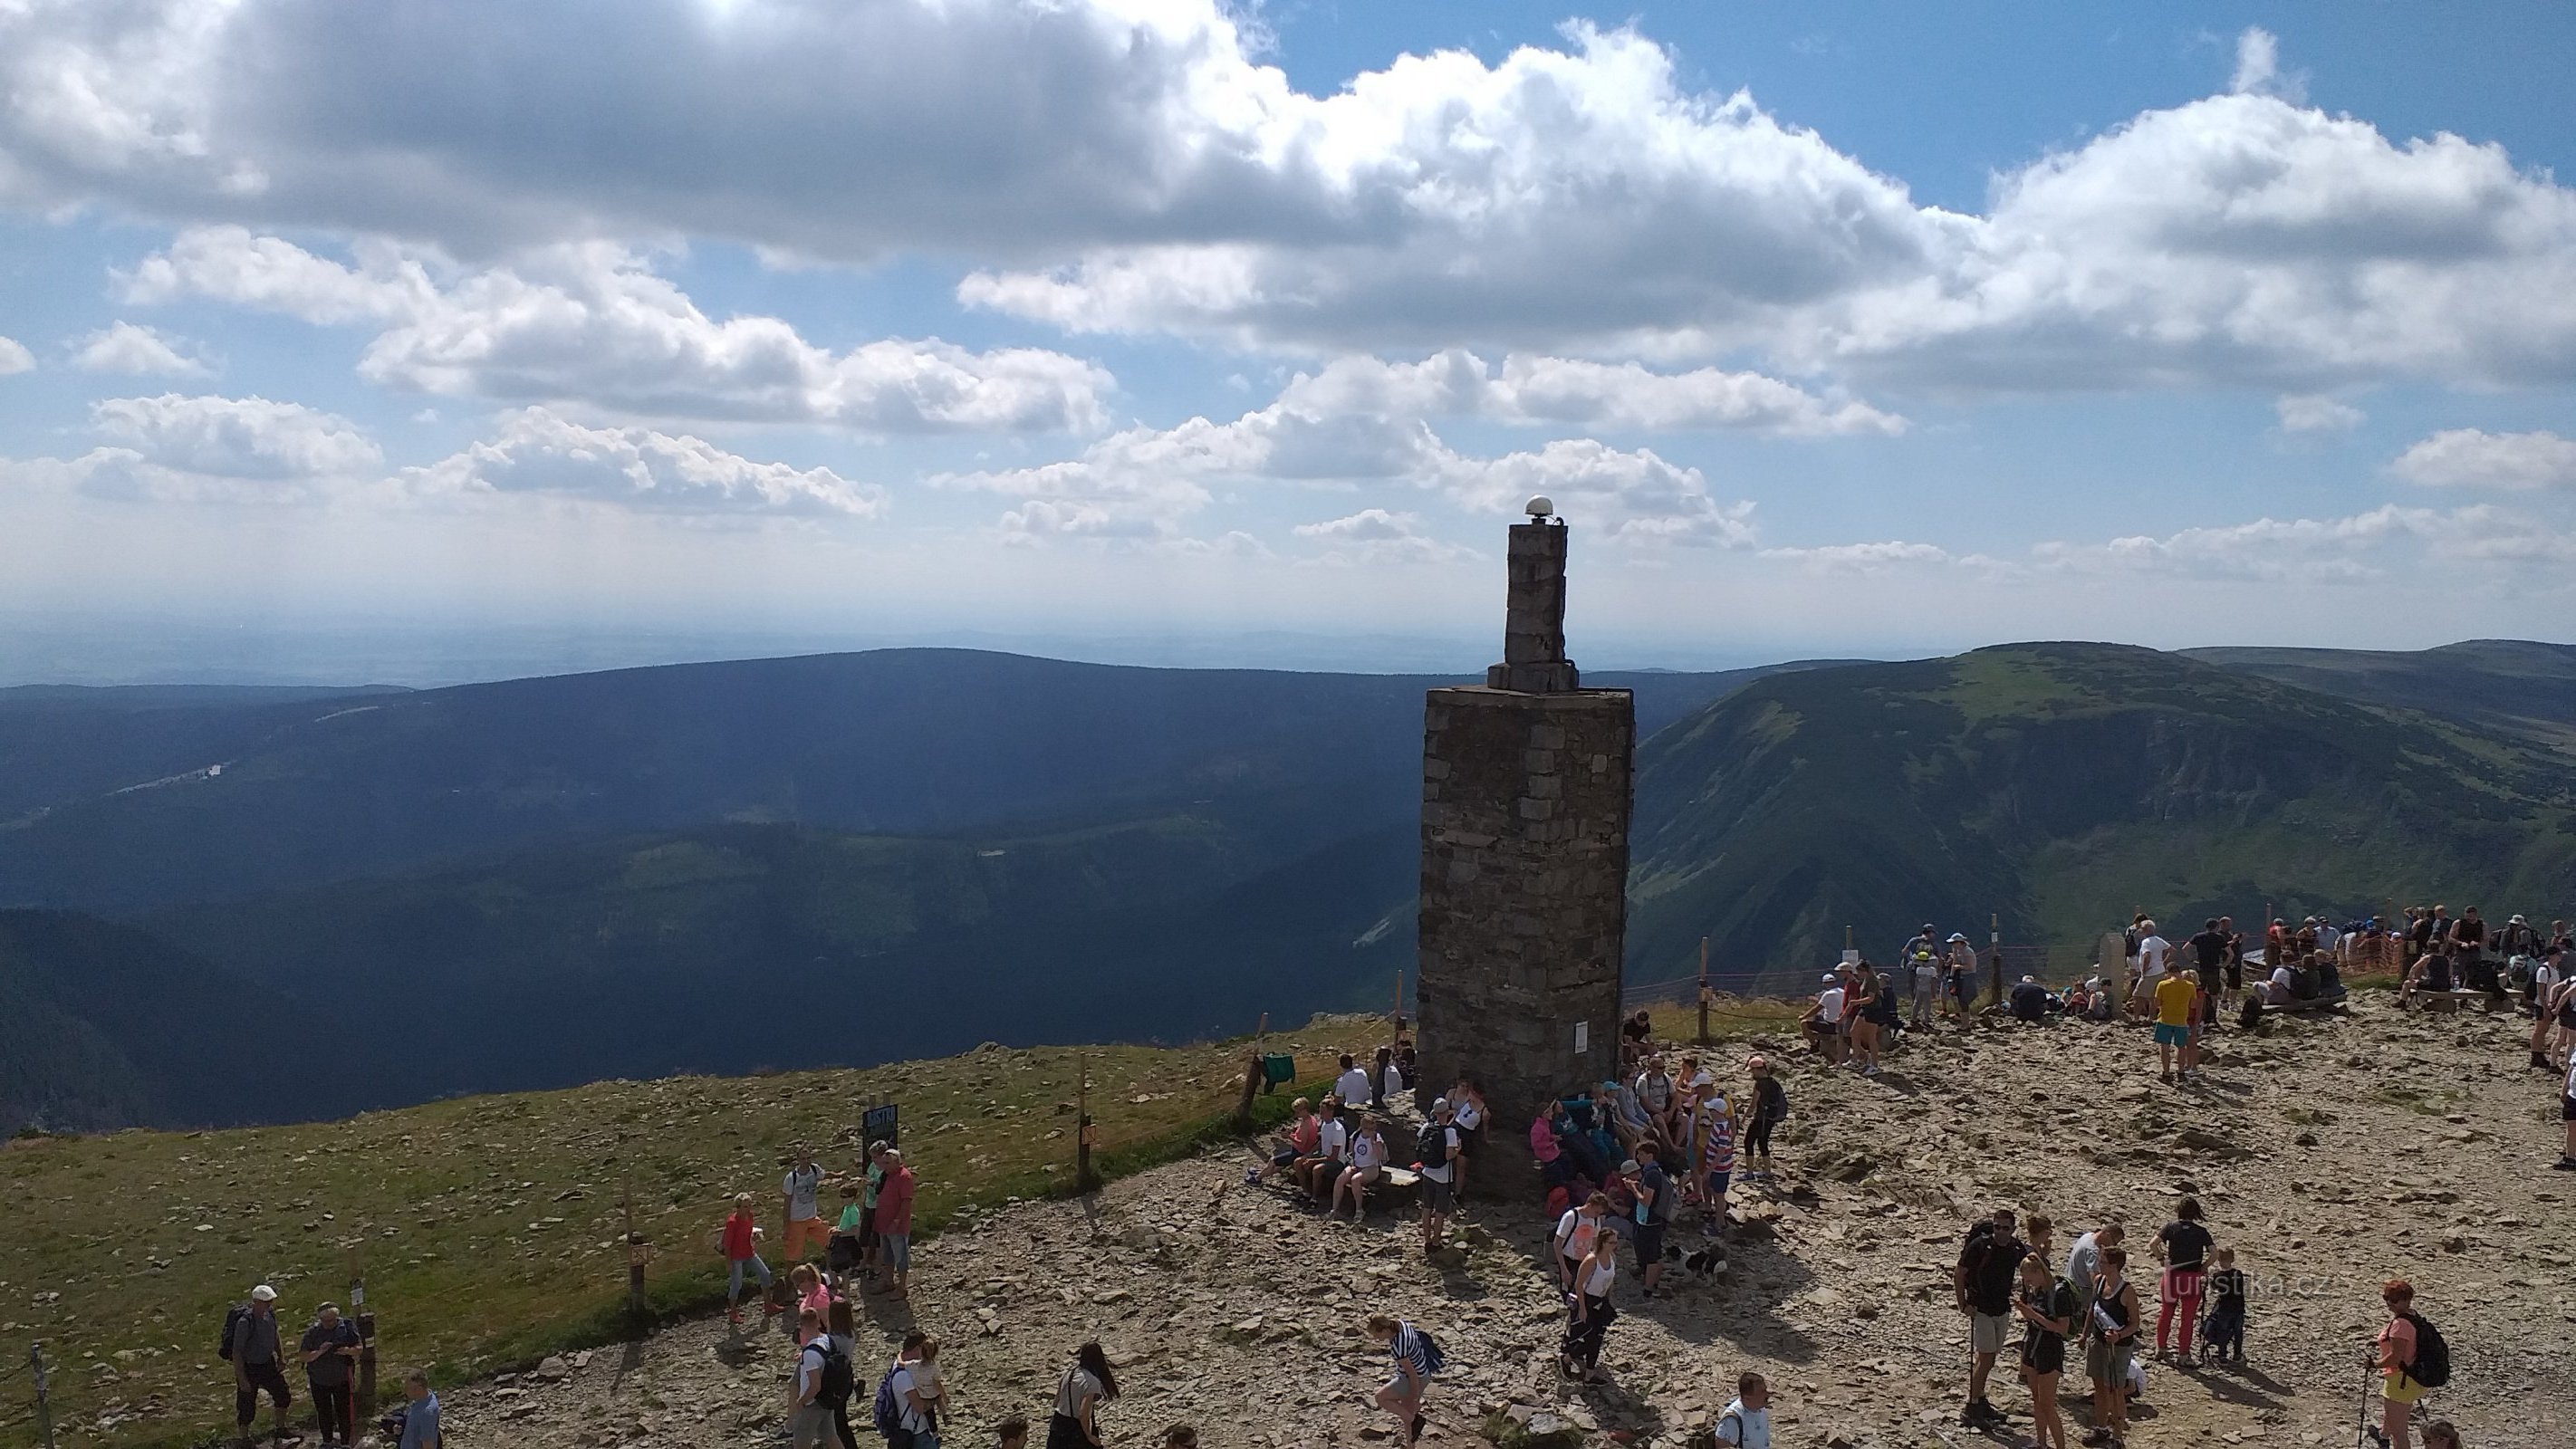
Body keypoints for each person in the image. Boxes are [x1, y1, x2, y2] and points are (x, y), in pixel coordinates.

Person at [1955, 1208, 2027, 1428]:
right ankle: (1972, 1405)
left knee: (1989, 1357)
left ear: (2013, 1229)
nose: (2001, 1232)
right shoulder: (1980, 1246)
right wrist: (1963, 1305)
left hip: (2002, 1308)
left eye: (2006, 1228)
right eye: (1997, 1227)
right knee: (1986, 1358)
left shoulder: (2015, 1248)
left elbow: (2028, 1268)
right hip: (1981, 1308)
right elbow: (1959, 1273)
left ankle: (1980, 1398)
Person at [2014, 1254, 2077, 1449]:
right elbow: (2032, 1317)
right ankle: (2041, 1443)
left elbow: (2062, 1328)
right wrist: (2025, 1311)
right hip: (2033, 1344)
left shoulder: (2058, 1294)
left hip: (2050, 1349)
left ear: (2039, 1272)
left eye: (2029, 1278)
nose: (2027, 1283)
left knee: (2048, 1404)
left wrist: (2034, 1315)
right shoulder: (2036, 1290)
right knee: (2036, 1398)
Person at [2085, 1247, 2141, 1448]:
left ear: (2115, 1265)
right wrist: (2084, 1334)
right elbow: (2093, 1308)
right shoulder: (2099, 1281)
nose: (2100, 1265)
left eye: (2103, 1262)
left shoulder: (2127, 1291)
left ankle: (2118, 1437)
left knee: (2116, 1391)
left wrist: (2119, 1335)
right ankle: (2101, 1428)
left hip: (2118, 1348)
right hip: (2098, 1341)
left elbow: (2135, 1323)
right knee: (2100, 1387)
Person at [229, 1283, 293, 1448]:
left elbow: (275, 1335)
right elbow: (237, 1351)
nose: (269, 1304)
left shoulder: (270, 1315)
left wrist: (281, 1356)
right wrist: (242, 1378)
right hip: (250, 1367)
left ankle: (281, 1427)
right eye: (266, 1302)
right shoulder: (245, 1322)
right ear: (256, 1301)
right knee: (246, 1404)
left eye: (270, 1301)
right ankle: (244, 1438)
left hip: (267, 1363)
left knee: (283, 1394)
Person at [2153, 1197, 2214, 1360]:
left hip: (2172, 1275)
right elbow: (2214, 1253)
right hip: (2192, 1277)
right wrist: (2204, 1267)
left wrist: (2161, 1259)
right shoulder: (2201, 1232)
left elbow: (2153, 1244)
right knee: (2187, 1317)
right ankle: (2184, 1354)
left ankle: (2161, 1347)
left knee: (2166, 1312)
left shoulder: (2170, 1227)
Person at [1367, 1314, 1437, 1449]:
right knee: (1406, 1412)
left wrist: (1415, 1397)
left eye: (1376, 1335)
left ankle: (1415, 1420)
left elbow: (1412, 1375)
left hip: (1413, 1379)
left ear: (1384, 1330)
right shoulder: (1400, 1324)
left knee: (1381, 1398)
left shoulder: (1398, 1347)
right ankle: (1411, 1445)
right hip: (1424, 1373)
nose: (1376, 1339)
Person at [2377, 1281, 2433, 1449]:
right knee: (2396, 1413)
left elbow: (2395, 1358)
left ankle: (2389, 1436)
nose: (2389, 1303)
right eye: (2386, 1298)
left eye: (2394, 1300)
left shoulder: (2400, 1325)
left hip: (2401, 1381)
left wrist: (2374, 1364)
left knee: (2400, 1433)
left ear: (2407, 1300)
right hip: (2414, 1379)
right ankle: (2383, 1436)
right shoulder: (2413, 1316)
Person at [1562, 1221, 1620, 1382]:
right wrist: (1582, 1308)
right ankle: (1567, 1358)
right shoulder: (1591, 1260)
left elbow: (1611, 1280)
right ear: (1603, 1242)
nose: (1615, 1245)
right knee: (1588, 1337)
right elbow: (1579, 1284)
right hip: (1586, 1299)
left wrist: (1609, 1300)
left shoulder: (1612, 1257)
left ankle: (1589, 1374)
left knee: (1598, 1337)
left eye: (1616, 1242)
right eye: (1612, 1242)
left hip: (1601, 1300)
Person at [300, 1301, 360, 1446]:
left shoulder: (346, 1326)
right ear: (320, 1320)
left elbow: (359, 1348)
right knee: (323, 1411)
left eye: (333, 1320)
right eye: (327, 1321)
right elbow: (303, 1356)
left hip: (342, 1378)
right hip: (319, 1379)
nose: (330, 1324)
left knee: (344, 1412)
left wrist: (346, 1351)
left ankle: (345, 1442)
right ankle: (327, 1440)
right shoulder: (313, 1332)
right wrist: (320, 1351)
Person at [718, 1192, 775, 1325]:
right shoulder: (732, 1222)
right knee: (737, 1284)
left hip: (749, 1253)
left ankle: (768, 1305)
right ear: (738, 1207)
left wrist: (753, 1238)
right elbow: (727, 1244)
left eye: (749, 1205)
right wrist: (728, 1262)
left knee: (765, 1274)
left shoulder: (750, 1216)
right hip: (736, 1257)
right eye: (745, 1206)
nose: (748, 1209)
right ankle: (733, 1312)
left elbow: (747, 1232)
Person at [1046, 1343, 1118, 1449]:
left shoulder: (1068, 1373)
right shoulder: (1092, 1382)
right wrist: (1089, 1435)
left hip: (1058, 1423)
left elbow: (1056, 1402)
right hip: (1075, 1429)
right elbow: (1083, 1413)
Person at [1416, 1099, 1462, 1253]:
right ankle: (1436, 1242)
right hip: (1443, 1176)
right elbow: (1449, 1156)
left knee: (1427, 1208)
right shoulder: (1450, 1132)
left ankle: (1426, 1241)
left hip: (1427, 1172)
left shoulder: (1426, 1127)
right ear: (1447, 1112)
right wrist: (1458, 1149)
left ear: (1434, 1112)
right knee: (1440, 1210)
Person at [788, 1307, 837, 1449]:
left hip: (812, 1404)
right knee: (830, 1437)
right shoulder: (827, 1340)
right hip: (827, 1399)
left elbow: (815, 1385)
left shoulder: (810, 1354)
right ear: (818, 1322)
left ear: (802, 1327)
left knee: (800, 1443)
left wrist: (802, 1401)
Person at [872, 1148, 917, 1297]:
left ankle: (902, 1287)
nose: (885, 1166)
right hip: (883, 1223)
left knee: (901, 1256)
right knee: (887, 1255)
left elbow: (906, 1201)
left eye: (888, 1163)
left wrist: (897, 1220)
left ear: (898, 1162)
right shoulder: (886, 1175)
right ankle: (888, 1281)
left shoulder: (904, 1177)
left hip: (897, 1225)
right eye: (884, 1163)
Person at [1631, 1142, 1674, 1298]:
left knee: (1650, 1255)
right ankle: (1654, 1283)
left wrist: (1633, 1189)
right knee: (1656, 1252)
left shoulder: (1650, 1175)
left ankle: (1648, 1289)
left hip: (1649, 1219)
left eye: (1641, 1154)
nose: (1638, 1157)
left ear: (1650, 1155)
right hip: (1657, 1218)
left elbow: (1646, 1201)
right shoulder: (1657, 1171)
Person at [1331, 1113, 1389, 1220]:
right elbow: (1350, 1153)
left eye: (1371, 1128)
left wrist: (1374, 1143)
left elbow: (1380, 1156)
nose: (1369, 1131)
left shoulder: (1377, 1138)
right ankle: (1334, 1209)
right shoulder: (1356, 1136)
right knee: (1340, 1179)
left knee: (1355, 1180)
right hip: (1357, 1164)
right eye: (1366, 1128)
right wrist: (1352, 1164)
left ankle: (1359, 1209)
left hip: (1372, 1167)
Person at [1553, 1191, 1610, 1292]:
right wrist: (1563, 1269)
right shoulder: (1571, 1217)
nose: (1597, 1215)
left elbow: (1595, 1242)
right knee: (1568, 1292)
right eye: (1596, 1212)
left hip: (1585, 1261)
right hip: (1568, 1260)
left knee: (1583, 1292)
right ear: (1589, 1205)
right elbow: (1557, 1243)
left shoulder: (1596, 1220)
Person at [826, 1299, 864, 1449]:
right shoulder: (850, 1334)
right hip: (846, 1377)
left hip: (836, 1381)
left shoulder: (834, 1339)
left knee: (839, 1421)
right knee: (839, 1418)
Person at [1743, 1056, 1786, 1183]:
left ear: (1758, 1070)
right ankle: (1767, 1172)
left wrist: (1744, 1118)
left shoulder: (1759, 1085)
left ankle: (1749, 1174)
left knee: (1748, 1142)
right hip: (1771, 1118)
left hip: (1760, 1118)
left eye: (1753, 1071)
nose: (1752, 1074)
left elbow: (1753, 1104)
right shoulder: (1773, 1082)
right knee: (1763, 1143)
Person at [2201, 1248, 2246, 1365]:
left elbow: (2213, 1288)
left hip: (2224, 1308)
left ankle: (2222, 1355)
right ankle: (2237, 1354)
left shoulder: (2218, 1276)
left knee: (2223, 1331)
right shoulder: (2238, 1273)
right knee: (2238, 1331)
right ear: (2232, 1259)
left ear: (2219, 1260)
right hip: (2238, 1307)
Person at [783, 1147, 829, 1265]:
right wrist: (786, 1227)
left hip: (812, 1217)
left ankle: (833, 1269)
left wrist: (839, 1175)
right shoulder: (791, 1178)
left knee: (830, 1242)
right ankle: (791, 1280)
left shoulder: (814, 1169)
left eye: (809, 1158)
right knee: (793, 1255)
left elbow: (824, 1175)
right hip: (797, 1220)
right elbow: (787, 1203)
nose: (807, 1161)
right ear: (798, 1159)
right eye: (803, 1159)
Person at [1302, 1097, 1351, 1201]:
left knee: (1317, 1169)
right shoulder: (1325, 1124)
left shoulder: (1337, 1130)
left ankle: (1314, 1197)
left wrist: (1313, 1160)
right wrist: (1309, 1154)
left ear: (1330, 1112)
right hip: (1324, 1155)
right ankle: (1305, 1191)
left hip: (1337, 1161)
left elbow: (1334, 1156)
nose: (1321, 1114)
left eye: (1323, 1111)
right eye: (1320, 1111)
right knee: (1299, 1161)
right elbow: (1321, 1142)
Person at [1264, 1098, 1322, 1186]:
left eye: (1298, 1112)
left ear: (1304, 1110)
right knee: (1279, 1165)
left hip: (1298, 1152)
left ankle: (1257, 1178)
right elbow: (1301, 1134)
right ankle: (1261, 1174)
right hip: (1302, 1150)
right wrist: (1292, 1132)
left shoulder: (1306, 1124)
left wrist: (1289, 1137)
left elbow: (1302, 1142)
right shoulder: (1311, 1119)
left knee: (1273, 1160)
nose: (1296, 1114)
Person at [2153, 968, 2196, 1083]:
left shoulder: (2162, 984)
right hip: (2181, 1020)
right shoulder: (2190, 985)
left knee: (2164, 1046)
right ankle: (2181, 1072)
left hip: (2165, 1019)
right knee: (2181, 1047)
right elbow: (2193, 1005)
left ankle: (2166, 1073)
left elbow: (2157, 1003)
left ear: (2168, 972)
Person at [1714, 1371, 1771, 1448]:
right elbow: (1721, 1446)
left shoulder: (1761, 1410)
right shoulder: (1732, 1420)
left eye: (1765, 1390)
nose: (1767, 1395)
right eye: (1762, 1392)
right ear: (1747, 1398)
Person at [1449, 1080, 1487, 1198]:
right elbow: (1458, 1115)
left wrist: (1486, 1139)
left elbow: (1484, 1127)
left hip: (1467, 1135)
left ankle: (1457, 1194)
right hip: (1455, 1128)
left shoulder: (1484, 1111)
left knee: (1461, 1166)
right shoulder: (1467, 1101)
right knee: (1445, 1159)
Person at [828, 1182, 868, 1286]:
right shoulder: (846, 1209)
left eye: (845, 1197)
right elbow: (845, 1225)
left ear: (853, 1197)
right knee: (837, 1269)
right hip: (841, 1240)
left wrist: (840, 1232)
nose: (842, 1199)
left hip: (846, 1242)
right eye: (841, 1196)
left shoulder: (853, 1211)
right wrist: (836, 1228)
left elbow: (854, 1230)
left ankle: (845, 1294)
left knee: (844, 1271)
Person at [2130, 920, 2172, 1017]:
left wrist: (2144, 970)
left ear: (2145, 930)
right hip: (2160, 970)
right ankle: (2150, 1017)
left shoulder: (2146, 942)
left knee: (2137, 995)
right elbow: (2172, 950)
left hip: (2150, 973)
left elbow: (2147, 955)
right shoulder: (2159, 940)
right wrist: (2163, 962)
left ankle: (2136, 1018)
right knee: (2153, 996)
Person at [1904, 926, 1942, 1029]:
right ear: (1930, 933)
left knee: (1915, 993)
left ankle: (1914, 1017)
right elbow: (1939, 957)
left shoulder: (1914, 941)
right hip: (1929, 972)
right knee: (1927, 999)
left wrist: (1911, 960)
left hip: (1914, 969)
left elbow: (1905, 952)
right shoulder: (1934, 944)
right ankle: (1926, 1018)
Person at [1805, 973, 1848, 1063]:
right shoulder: (1843, 992)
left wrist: (1803, 1017)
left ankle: (1814, 1045)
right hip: (1842, 1023)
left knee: (1804, 1023)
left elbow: (1816, 1009)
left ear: (1824, 983)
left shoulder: (1828, 994)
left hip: (1831, 1025)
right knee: (1818, 1017)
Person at [396, 1370, 442, 1449]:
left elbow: (428, 1444)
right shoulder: (422, 1400)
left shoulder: (427, 1412)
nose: (405, 1391)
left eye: (407, 1388)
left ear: (419, 1389)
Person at [1944, 934, 1978, 1019]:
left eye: (1955, 942)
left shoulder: (1968, 952)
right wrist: (1951, 977)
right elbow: (1955, 962)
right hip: (1960, 977)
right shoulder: (1956, 950)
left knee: (1965, 999)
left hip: (1969, 976)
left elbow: (1971, 967)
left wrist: (1959, 967)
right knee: (1959, 998)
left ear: (1960, 942)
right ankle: (1964, 1020)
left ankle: (1965, 1022)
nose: (1953, 945)